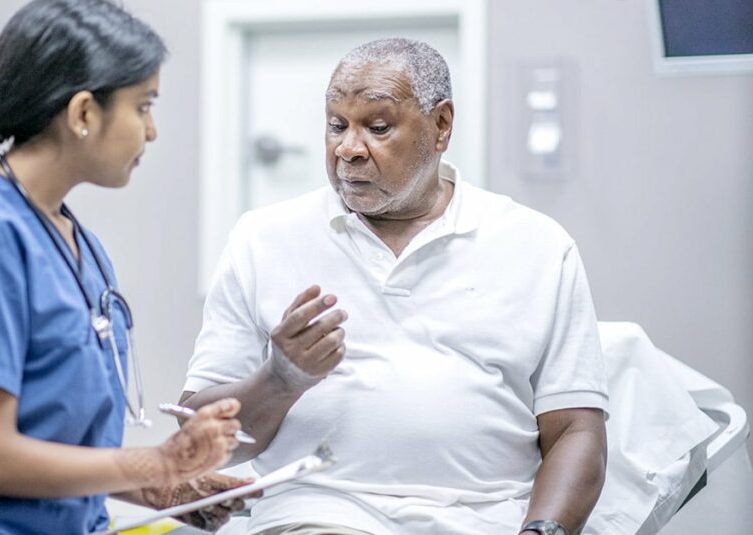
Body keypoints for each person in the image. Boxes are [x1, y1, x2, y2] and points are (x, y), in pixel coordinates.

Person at [181, 38, 608, 535]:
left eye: (377, 127)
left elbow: (576, 429)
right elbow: (199, 442)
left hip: (484, 519)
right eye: (336, 126)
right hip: (317, 515)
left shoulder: (536, 244)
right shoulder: (263, 239)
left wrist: (543, 529)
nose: (348, 148)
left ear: (441, 125)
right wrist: (281, 378)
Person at [0, 1, 252, 533]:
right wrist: (157, 462)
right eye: (143, 106)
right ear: (84, 113)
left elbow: (56, 448)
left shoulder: (78, 244)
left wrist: (169, 487)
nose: (152, 131)